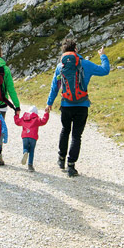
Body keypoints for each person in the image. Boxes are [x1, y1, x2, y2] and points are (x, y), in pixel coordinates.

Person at [46, 38, 110, 177]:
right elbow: (105, 70)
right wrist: (102, 56)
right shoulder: (85, 64)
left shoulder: (60, 67)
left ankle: (61, 159)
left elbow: (54, 87)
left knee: (65, 130)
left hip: (66, 105)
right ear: (76, 49)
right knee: (76, 135)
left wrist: (49, 103)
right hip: (82, 105)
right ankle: (71, 166)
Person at [12, 104, 49, 171]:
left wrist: (16, 115)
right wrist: (46, 113)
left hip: (25, 136)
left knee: (25, 147)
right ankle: (30, 165)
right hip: (33, 137)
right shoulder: (36, 119)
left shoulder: (24, 118)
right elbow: (44, 121)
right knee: (32, 150)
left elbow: (17, 122)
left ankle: (25, 152)